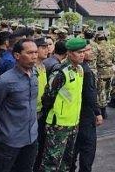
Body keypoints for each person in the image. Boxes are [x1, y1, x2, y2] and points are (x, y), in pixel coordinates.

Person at [0, 39, 39, 172]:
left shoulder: (34, 74)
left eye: (36, 52)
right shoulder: (6, 81)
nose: (34, 56)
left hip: (30, 138)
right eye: (30, 53)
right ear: (17, 56)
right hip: (8, 141)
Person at [40, 37, 85, 172]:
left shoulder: (80, 70)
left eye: (83, 51)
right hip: (58, 124)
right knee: (51, 163)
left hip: (73, 123)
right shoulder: (60, 72)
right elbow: (48, 97)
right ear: (70, 53)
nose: (82, 54)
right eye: (79, 52)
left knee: (66, 162)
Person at [69, 41, 102, 172]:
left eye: (86, 51)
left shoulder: (77, 68)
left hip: (76, 115)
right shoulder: (85, 71)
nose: (87, 53)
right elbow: (90, 95)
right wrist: (97, 112)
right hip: (85, 117)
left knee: (73, 150)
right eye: (83, 51)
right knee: (87, 151)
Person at [33, 38, 50, 172]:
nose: (47, 49)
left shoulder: (43, 66)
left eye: (47, 47)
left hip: (41, 111)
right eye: (43, 47)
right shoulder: (31, 67)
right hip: (31, 113)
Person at [93, 33, 115, 118]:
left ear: (98, 39)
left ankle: (103, 111)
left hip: (100, 72)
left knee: (100, 91)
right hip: (110, 71)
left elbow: (94, 60)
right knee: (107, 90)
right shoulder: (112, 47)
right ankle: (105, 104)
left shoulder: (97, 47)